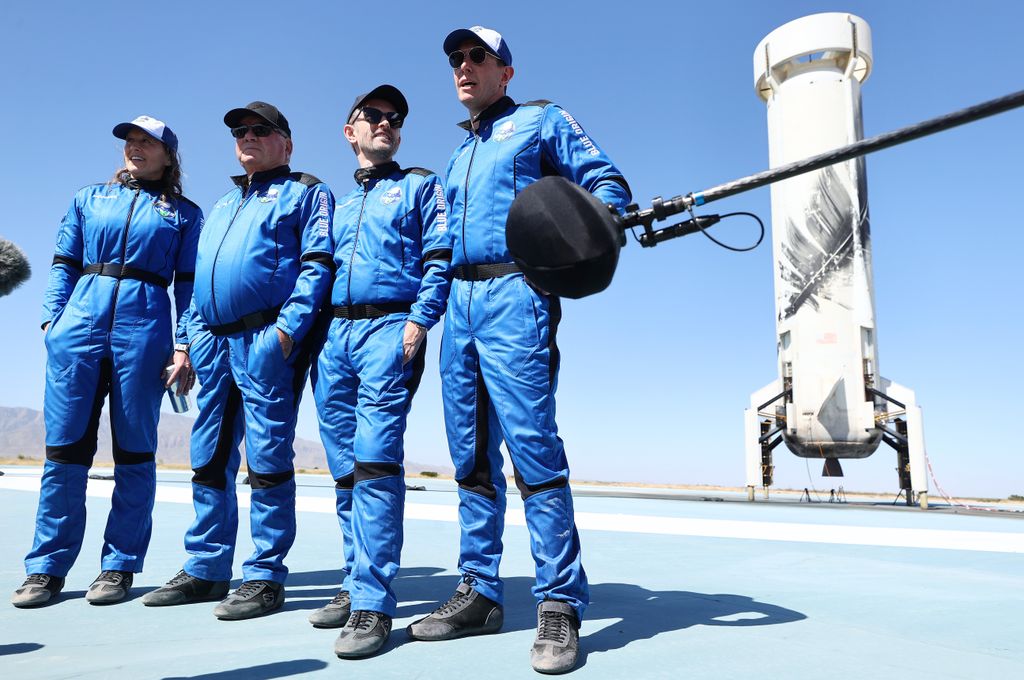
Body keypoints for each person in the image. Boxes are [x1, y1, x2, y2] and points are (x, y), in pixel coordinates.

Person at [405, 26, 631, 674]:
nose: (464, 67)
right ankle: (478, 590)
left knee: (532, 450)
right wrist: (426, 317)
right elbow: (441, 249)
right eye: (456, 59)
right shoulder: (456, 159)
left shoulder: (540, 122)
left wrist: (604, 219)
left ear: (506, 71)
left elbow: (605, 181)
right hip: (459, 312)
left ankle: (558, 600)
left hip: (515, 299)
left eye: (477, 57)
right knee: (471, 459)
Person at [142, 101, 335, 620]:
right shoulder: (223, 205)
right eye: (240, 131)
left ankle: (265, 577)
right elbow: (199, 282)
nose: (248, 137)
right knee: (208, 458)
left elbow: (317, 266)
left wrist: (286, 334)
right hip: (213, 342)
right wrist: (187, 344)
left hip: (265, 339)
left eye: (260, 130)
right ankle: (206, 568)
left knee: (268, 461)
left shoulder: (306, 193)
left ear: (286, 144)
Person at [12, 116, 201, 608]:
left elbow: (189, 289)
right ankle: (46, 568)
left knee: (135, 452)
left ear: (168, 155)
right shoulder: (88, 199)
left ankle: (118, 566)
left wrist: (184, 347)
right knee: (65, 451)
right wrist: (52, 325)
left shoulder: (184, 214)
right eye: (130, 141)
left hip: (144, 331)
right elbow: (62, 264)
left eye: (147, 142)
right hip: (78, 328)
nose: (136, 148)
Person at [306, 85, 451, 658]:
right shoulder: (336, 203)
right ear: (351, 131)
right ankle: (352, 580)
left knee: (374, 463)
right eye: (374, 116)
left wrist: (420, 320)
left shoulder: (419, 185)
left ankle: (372, 604)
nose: (387, 124)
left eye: (395, 119)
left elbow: (439, 256)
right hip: (332, 339)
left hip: (389, 331)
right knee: (345, 469)